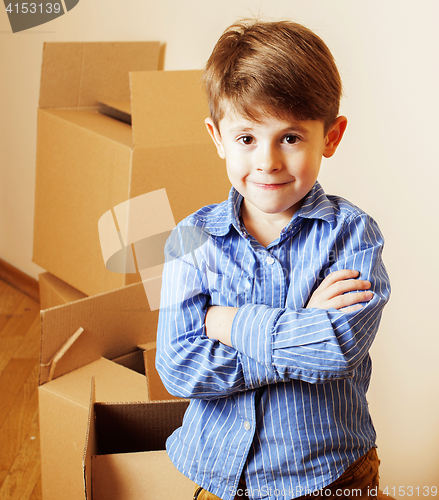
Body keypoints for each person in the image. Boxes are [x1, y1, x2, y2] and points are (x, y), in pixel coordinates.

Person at [156, 19, 391, 500]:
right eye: (246, 138)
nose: (267, 161)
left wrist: (229, 322)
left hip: (330, 475)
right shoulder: (190, 239)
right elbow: (179, 367)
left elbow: (336, 351)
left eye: (290, 137)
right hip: (221, 476)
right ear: (217, 136)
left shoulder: (352, 234)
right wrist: (302, 326)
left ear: (330, 136)